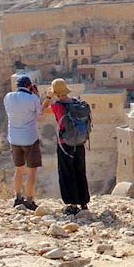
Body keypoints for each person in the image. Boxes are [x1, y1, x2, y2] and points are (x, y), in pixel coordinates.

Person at [4, 75, 50, 210]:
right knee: (31, 172)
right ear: (30, 85)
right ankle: (30, 201)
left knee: (19, 170)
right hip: (30, 139)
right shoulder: (33, 98)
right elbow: (40, 115)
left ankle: (18, 198)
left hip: (14, 138)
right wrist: (37, 95)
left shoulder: (8, 97)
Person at [48, 79, 90, 215]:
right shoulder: (78, 103)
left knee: (67, 173)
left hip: (65, 144)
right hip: (80, 143)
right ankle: (84, 203)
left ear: (55, 93)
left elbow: (42, 110)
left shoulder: (57, 106)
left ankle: (72, 205)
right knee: (80, 171)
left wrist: (49, 96)